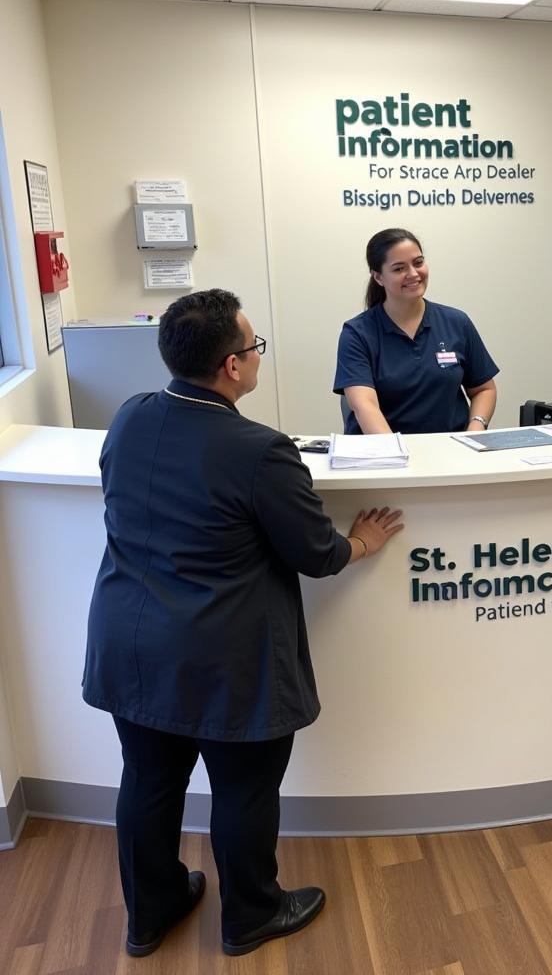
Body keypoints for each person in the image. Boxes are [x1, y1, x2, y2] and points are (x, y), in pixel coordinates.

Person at [83, 288, 404, 957]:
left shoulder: (130, 416)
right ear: (233, 366)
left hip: (130, 642)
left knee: (148, 779)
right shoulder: (259, 450)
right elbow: (318, 553)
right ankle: (251, 914)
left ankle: (150, 914)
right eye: (254, 346)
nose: (257, 356)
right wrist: (364, 543)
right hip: (222, 655)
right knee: (243, 788)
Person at [334, 228, 499, 434]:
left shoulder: (457, 322)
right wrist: (397, 455)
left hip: (452, 453)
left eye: (418, 263)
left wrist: (476, 427)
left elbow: (484, 389)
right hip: (386, 456)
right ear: (378, 277)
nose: (413, 274)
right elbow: (364, 406)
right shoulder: (357, 333)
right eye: (399, 268)